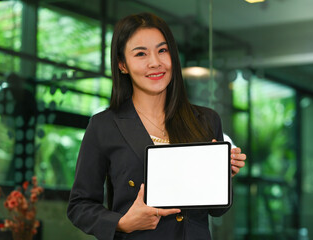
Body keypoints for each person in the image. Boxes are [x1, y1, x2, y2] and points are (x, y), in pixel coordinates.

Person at [67, 12, 246, 240]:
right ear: (122, 64)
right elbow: (79, 205)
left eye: (162, 50)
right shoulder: (104, 126)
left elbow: (217, 210)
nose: (155, 62)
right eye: (141, 54)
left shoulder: (206, 119)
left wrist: (221, 174)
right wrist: (122, 223)